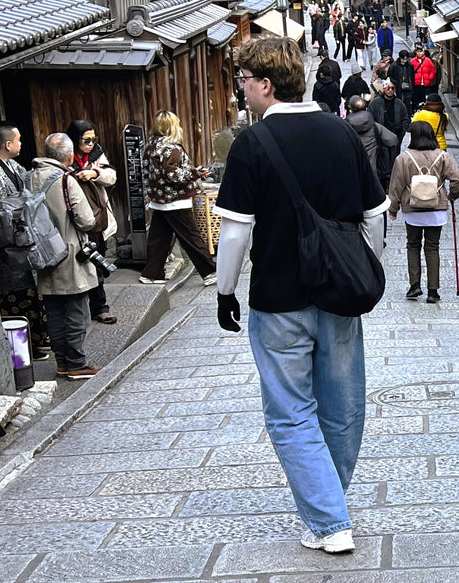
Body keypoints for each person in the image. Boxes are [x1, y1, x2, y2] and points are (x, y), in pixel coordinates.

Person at [213, 36, 388, 555]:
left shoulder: (252, 144)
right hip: (339, 297)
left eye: (244, 82)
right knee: (343, 406)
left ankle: (330, 521)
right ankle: (329, 506)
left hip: (279, 298)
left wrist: (225, 291)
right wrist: (359, 268)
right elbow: (376, 217)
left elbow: (235, 232)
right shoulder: (341, 133)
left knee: (291, 412)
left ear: (266, 85)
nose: (242, 91)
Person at [0, 121, 49, 358]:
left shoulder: (14, 166)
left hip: (24, 242)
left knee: (32, 293)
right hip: (4, 248)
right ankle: (20, 352)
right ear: (7, 144)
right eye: (18, 140)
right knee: (12, 299)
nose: (21, 144)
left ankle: (39, 343)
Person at [30, 133, 100, 379]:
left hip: (41, 254)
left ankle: (62, 362)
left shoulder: (29, 177)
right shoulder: (65, 180)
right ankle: (76, 364)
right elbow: (86, 220)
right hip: (68, 253)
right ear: (69, 155)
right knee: (76, 312)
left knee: (54, 313)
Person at [386, 119, 459, 304]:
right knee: (432, 247)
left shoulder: (403, 158)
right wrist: (451, 196)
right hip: (436, 208)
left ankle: (414, 285)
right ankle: (433, 291)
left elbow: (395, 186)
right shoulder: (443, 156)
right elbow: (458, 180)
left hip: (412, 207)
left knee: (413, 245)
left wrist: (393, 208)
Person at [141, 110, 218, 286]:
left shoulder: (151, 145)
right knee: (192, 237)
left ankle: (152, 273)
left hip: (159, 199)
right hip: (176, 199)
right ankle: (210, 272)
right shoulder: (171, 148)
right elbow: (174, 176)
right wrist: (195, 173)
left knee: (159, 238)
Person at [66, 119, 118, 325]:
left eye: (93, 139)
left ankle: (99, 307)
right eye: (86, 140)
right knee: (81, 266)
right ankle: (85, 309)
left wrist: (95, 172)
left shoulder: (96, 154)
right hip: (76, 221)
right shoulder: (66, 156)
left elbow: (111, 176)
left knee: (97, 262)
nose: (90, 144)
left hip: (97, 219)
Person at [346, 96, 399, 189]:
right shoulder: (375, 127)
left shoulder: (344, 128)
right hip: (372, 173)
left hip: (351, 173)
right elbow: (393, 140)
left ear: (350, 111)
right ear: (366, 108)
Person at [409, 44, 437, 108]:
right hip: (416, 85)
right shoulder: (412, 61)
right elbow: (409, 72)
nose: (419, 53)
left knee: (426, 100)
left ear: (423, 52)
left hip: (426, 85)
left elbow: (433, 71)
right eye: (418, 51)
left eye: (420, 51)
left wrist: (430, 78)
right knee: (417, 100)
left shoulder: (428, 60)